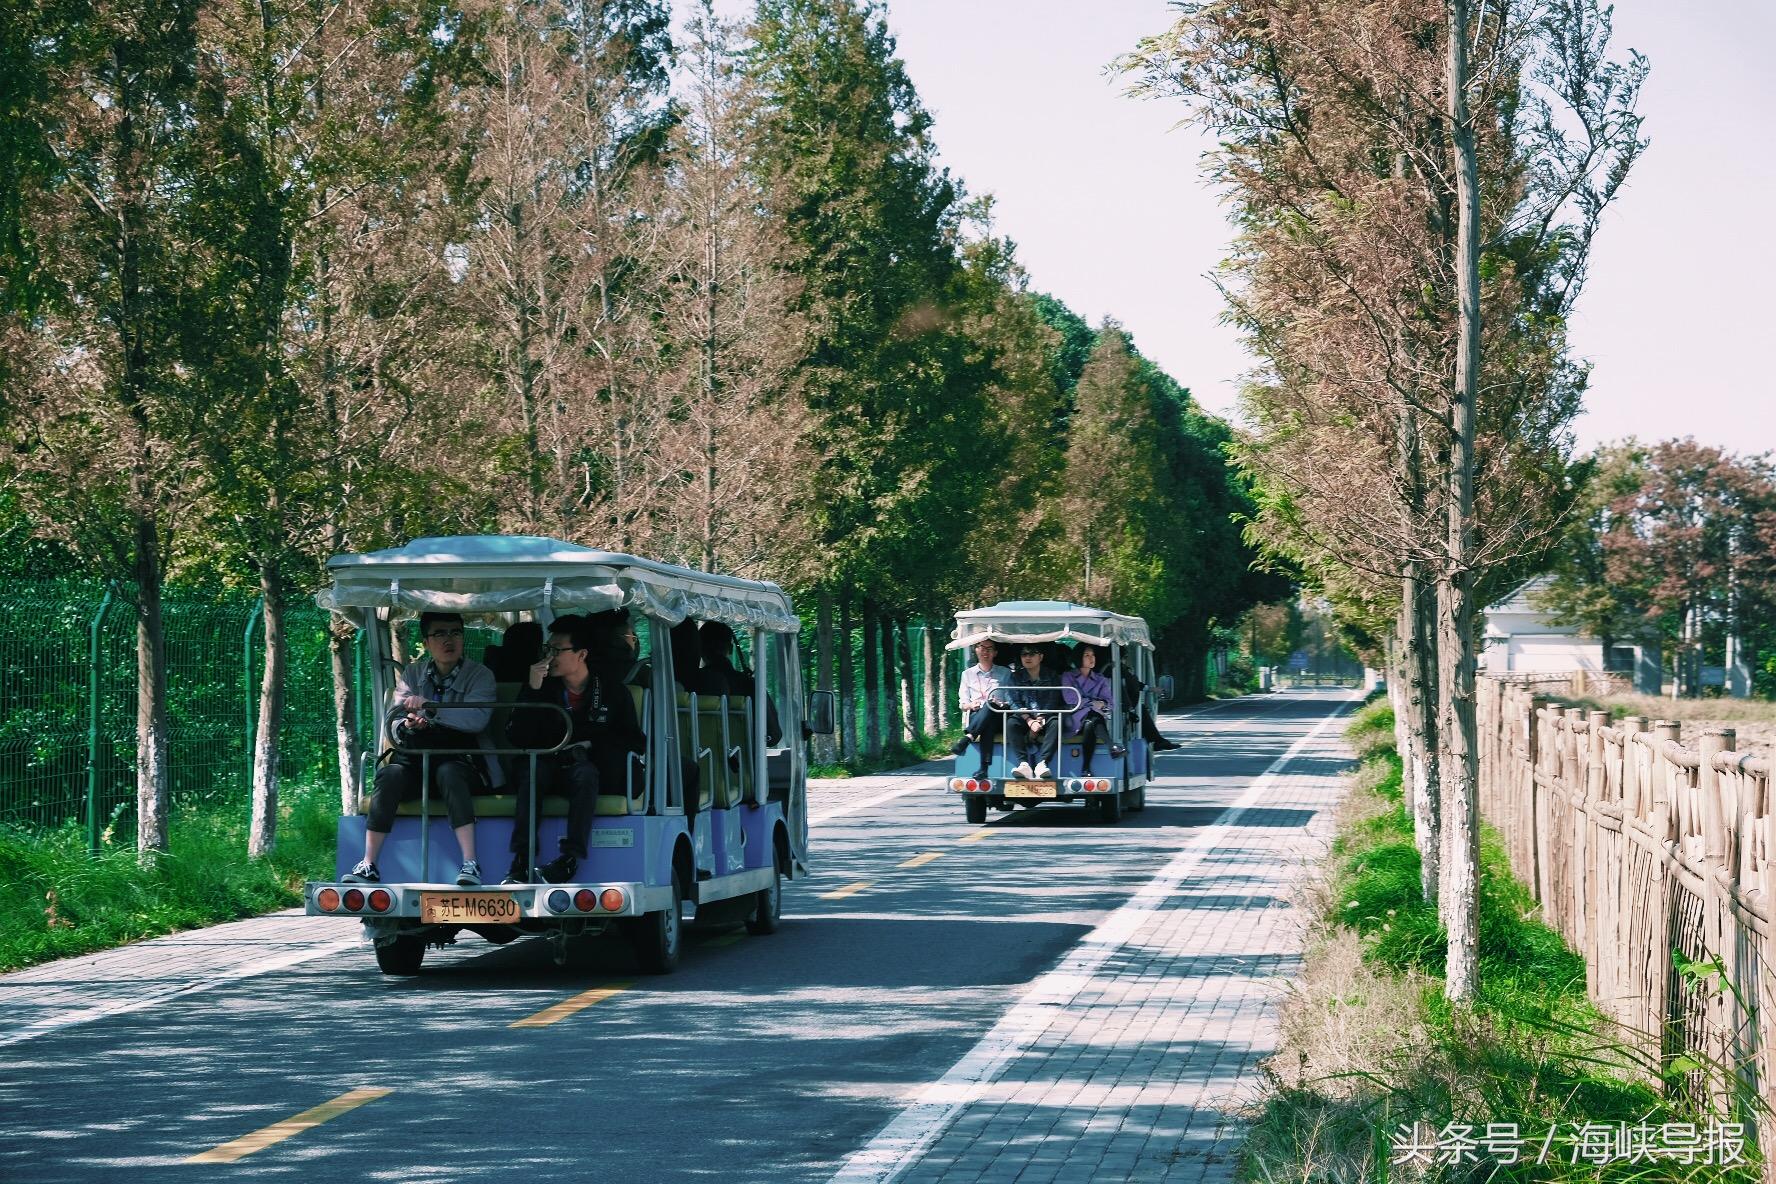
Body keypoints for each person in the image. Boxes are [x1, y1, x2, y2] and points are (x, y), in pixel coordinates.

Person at [346, 612, 501, 887]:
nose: (449, 640)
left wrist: (431, 710)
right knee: (389, 774)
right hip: (417, 758)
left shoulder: (480, 675)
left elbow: (477, 719)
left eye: (455, 632)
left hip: (462, 758)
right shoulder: (412, 674)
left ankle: (470, 863)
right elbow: (392, 724)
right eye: (440, 634)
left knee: (449, 773)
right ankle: (369, 863)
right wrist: (409, 723)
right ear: (427, 642)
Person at [503, 613, 645, 884]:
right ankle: (521, 859)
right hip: (545, 766)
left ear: (581, 654)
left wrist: (591, 744)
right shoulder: (540, 687)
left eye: (557, 650)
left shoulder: (613, 691)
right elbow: (517, 737)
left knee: (585, 774)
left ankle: (569, 859)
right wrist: (532, 690)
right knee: (532, 772)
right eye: (548, 649)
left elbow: (634, 741)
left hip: (588, 770)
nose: (550, 656)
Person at [699, 620, 783, 745]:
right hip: (741, 762)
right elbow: (773, 736)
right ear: (731, 649)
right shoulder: (751, 686)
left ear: (700, 649)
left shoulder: (684, 686)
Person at [950, 638, 1012, 772]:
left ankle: (968, 738)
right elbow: (963, 704)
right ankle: (983, 769)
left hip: (999, 715)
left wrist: (1002, 704)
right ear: (976, 650)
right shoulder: (967, 674)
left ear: (995, 653)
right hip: (977, 715)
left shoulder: (1005, 673)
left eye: (989, 649)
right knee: (986, 723)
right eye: (982, 647)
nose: (985, 652)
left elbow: (1010, 699)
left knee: (990, 705)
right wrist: (971, 705)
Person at [1005, 644, 1064, 779]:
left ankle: (1043, 763)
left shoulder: (1052, 675)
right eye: (1024, 654)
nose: (1027, 657)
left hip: (1045, 714)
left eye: (1031, 654)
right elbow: (1013, 700)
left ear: (1041, 657)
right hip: (1025, 716)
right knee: (1011, 723)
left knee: (1056, 722)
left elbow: (1053, 699)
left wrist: (1041, 717)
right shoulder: (1015, 677)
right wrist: (1029, 720)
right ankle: (1023, 763)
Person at [1062, 644, 1126, 768]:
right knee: (1093, 716)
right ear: (1078, 657)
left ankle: (1086, 767)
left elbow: (1110, 703)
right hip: (1074, 717)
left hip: (1092, 719)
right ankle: (1111, 746)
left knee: (1090, 723)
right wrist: (1094, 703)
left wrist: (1102, 704)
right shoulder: (1068, 676)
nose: (1091, 658)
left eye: (1093, 655)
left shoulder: (1100, 679)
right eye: (1087, 655)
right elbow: (1071, 699)